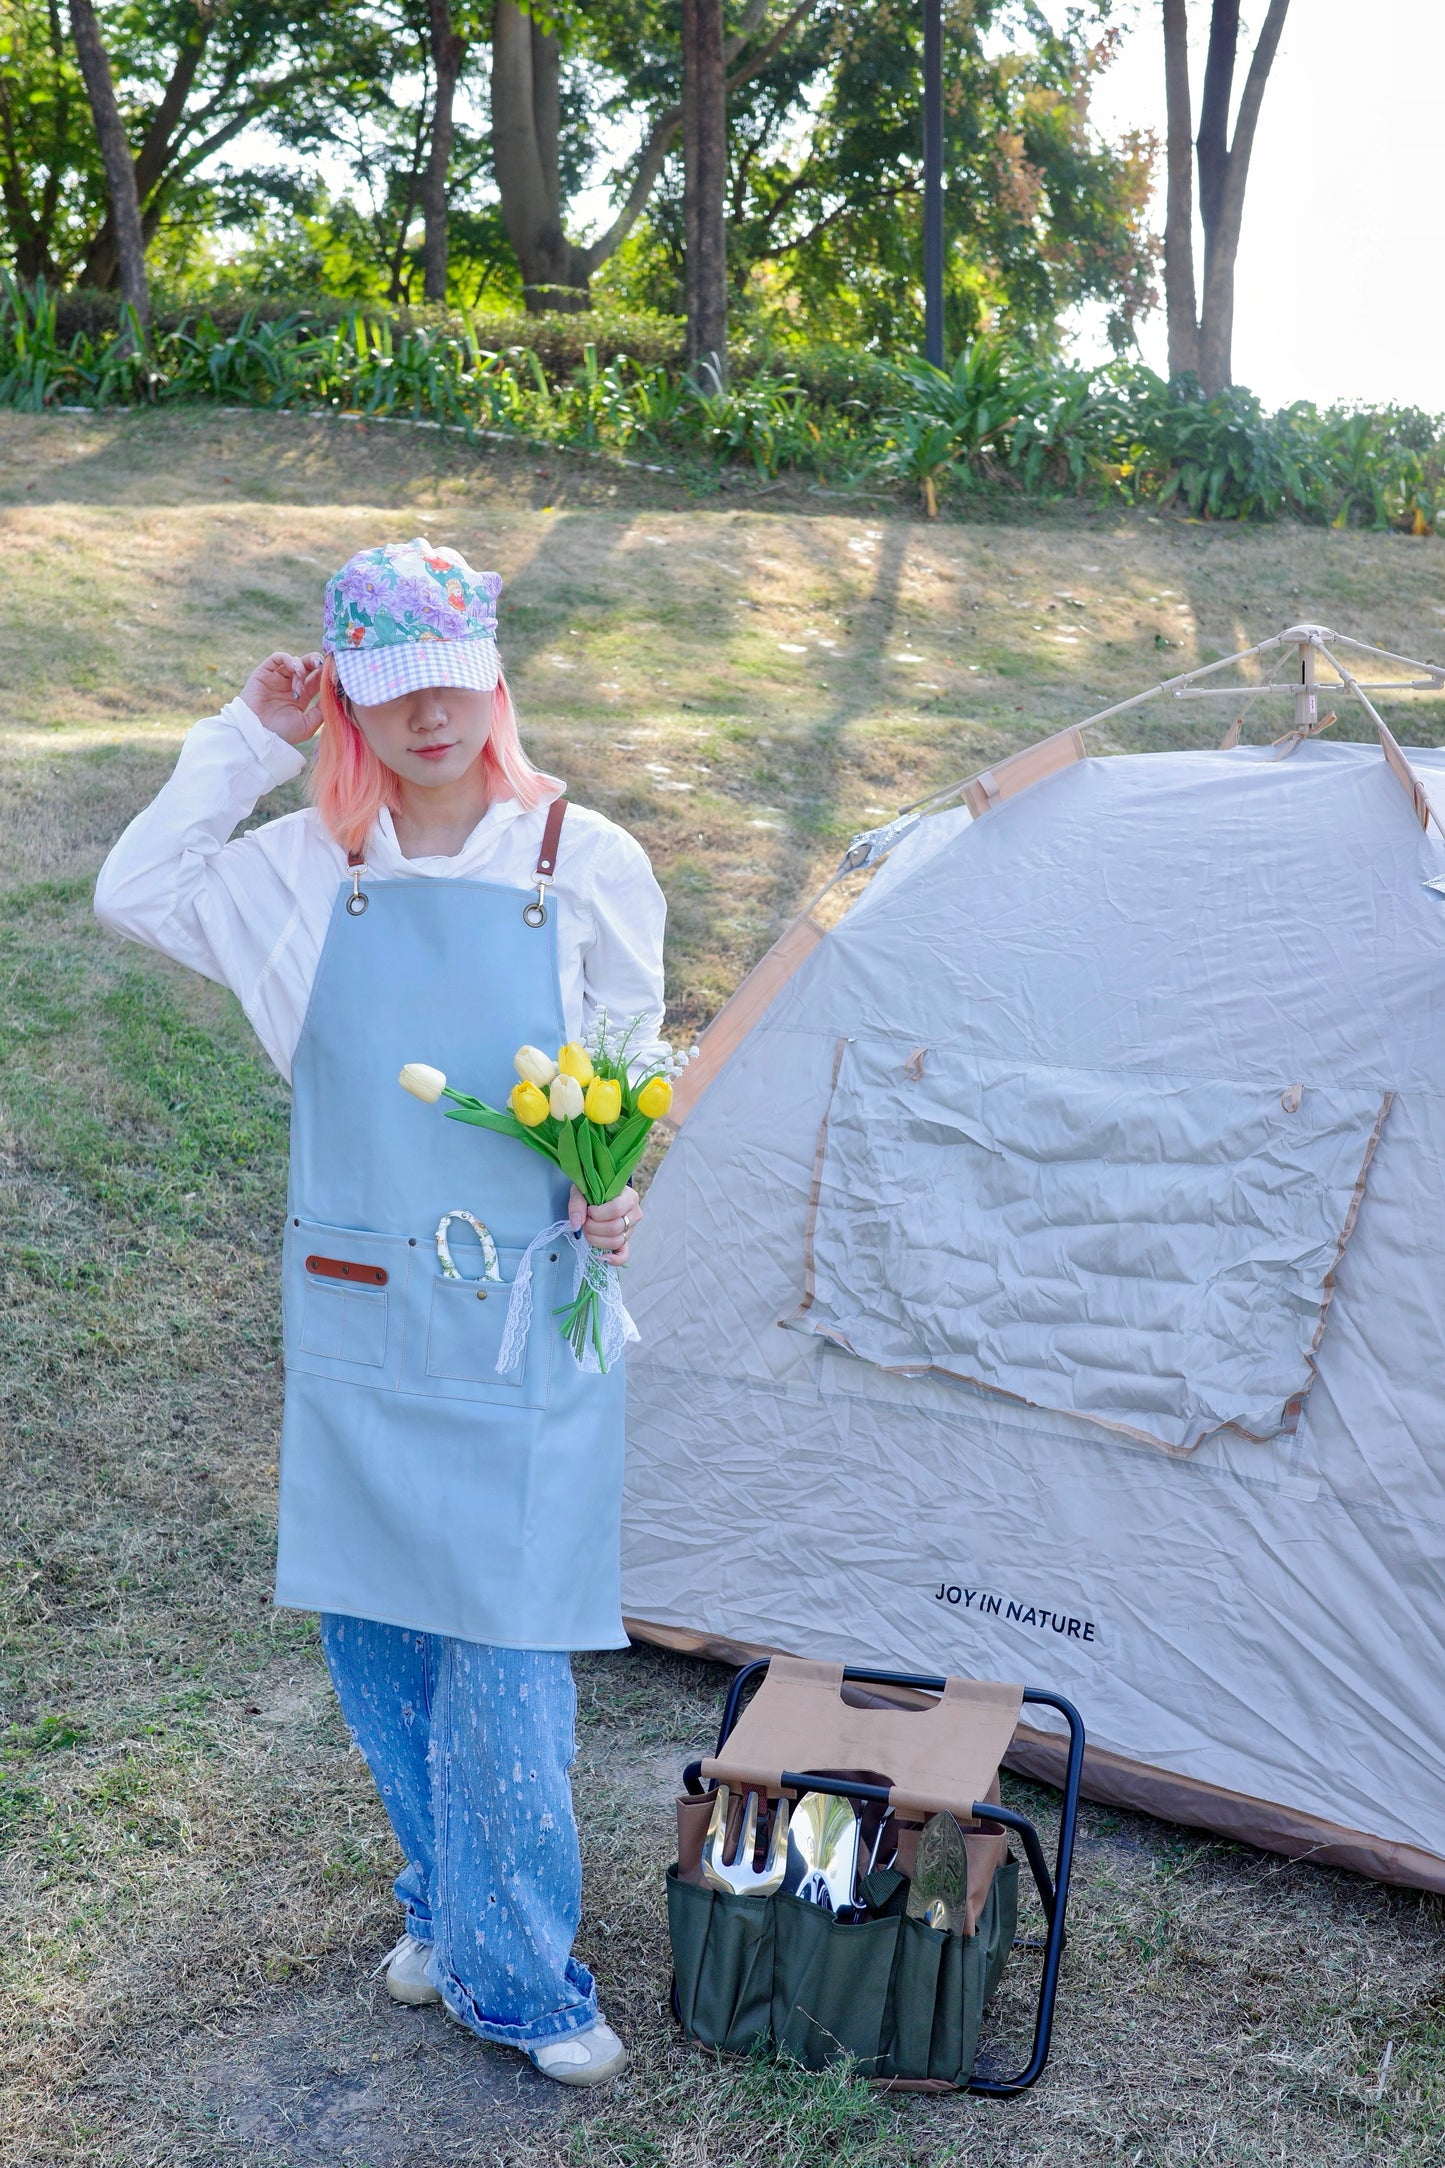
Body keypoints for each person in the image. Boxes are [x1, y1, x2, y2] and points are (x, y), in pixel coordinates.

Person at [94, 538, 668, 2087]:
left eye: (454, 680)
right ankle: (443, 1902)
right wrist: (245, 739)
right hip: (359, 1306)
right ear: (351, 696)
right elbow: (132, 885)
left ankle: (515, 1974)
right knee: (382, 1641)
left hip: (522, 1321)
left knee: (506, 1650)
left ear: (495, 672)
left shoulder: (580, 861)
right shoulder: (302, 872)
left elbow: (625, 1080)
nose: (432, 716)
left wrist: (614, 1187)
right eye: (393, 689)